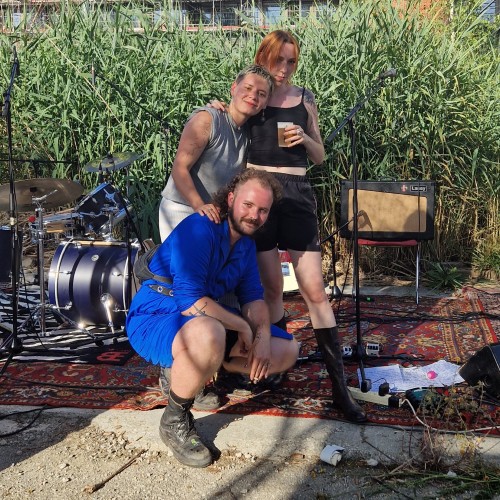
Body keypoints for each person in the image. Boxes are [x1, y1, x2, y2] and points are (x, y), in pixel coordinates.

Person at [210, 30, 366, 423]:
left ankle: (339, 389)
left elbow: (320, 155)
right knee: (272, 289)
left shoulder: (305, 98)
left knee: (314, 290)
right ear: (263, 56)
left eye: (291, 61)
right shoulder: (255, 96)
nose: (284, 68)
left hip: (297, 194)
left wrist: (305, 138)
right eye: (278, 59)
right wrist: (218, 109)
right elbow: (228, 119)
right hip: (260, 192)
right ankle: (276, 364)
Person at [126, 169, 299, 468]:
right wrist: (243, 327)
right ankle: (175, 419)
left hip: (203, 318)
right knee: (211, 333)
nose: (254, 215)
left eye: (262, 210)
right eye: (248, 205)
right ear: (230, 199)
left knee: (287, 350)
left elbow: (253, 298)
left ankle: (203, 366)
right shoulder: (200, 228)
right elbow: (190, 302)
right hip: (157, 313)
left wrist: (262, 336)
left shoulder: (246, 244)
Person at [158, 64, 274, 241]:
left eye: (261, 94)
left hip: (214, 216)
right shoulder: (207, 119)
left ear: (265, 103)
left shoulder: (249, 132)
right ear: (233, 88)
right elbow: (179, 168)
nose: (253, 95)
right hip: (182, 209)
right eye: (248, 88)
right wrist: (200, 206)